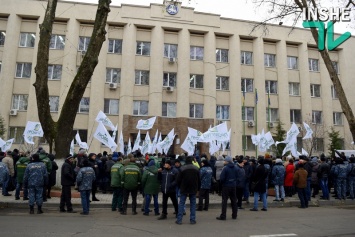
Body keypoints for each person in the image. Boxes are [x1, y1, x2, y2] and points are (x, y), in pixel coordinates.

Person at [176, 156, 200, 225]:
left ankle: (179, 220)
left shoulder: (182, 168)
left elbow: (178, 180)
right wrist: (198, 189)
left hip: (184, 187)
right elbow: (199, 180)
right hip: (193, 188)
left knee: (181, 203)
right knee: (193, 204)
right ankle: (192, 219)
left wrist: (179, 186)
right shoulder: (196, 168)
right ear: (192, 161)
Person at [216, 156, 238, 220]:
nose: (224, 162)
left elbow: (222, 178)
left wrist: (222, 183)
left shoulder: (225, 168)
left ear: (227, 161)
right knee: (234, 201)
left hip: (226, 186)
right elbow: (237, 176)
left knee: (224, 201)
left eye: (225, 160)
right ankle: (234, 215)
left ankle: (223, 215)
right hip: (233, 186)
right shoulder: (235, 167)